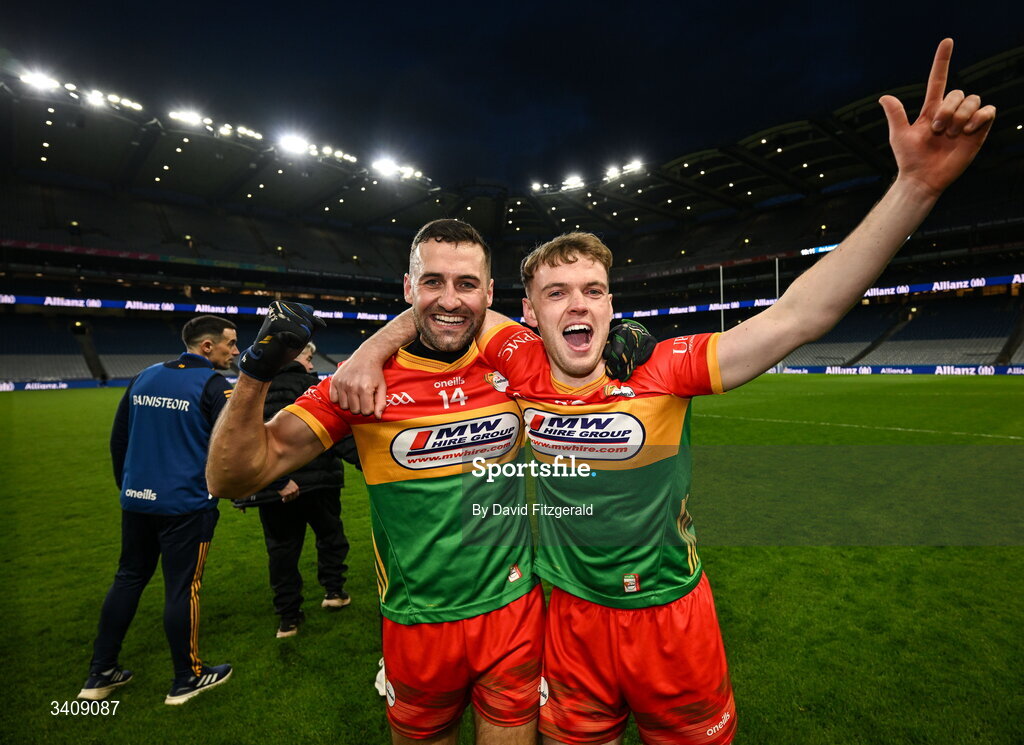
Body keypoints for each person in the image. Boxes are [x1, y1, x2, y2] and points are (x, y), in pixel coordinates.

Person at [329, 40, 995, 745]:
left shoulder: (666, 366)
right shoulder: (517, 358)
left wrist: (915, 188)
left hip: (673, 619)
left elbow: (802, 315)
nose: (575, 304)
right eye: (555, 293)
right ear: (528, 310)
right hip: (570, 623)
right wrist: (373, 346)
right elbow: (442, 300)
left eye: (592, 290)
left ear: (613, 305)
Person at [206, 222, 544, 745]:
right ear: (408, 288)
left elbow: (578, 348)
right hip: (415, 622)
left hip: (514, 610)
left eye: (466, 284)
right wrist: (254, 373)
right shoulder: (360, 385)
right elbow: (232, 476)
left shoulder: (515, 362)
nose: (450, 299)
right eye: (431, 282)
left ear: (490, 292)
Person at [78, 315, 239, 706]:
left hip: (137, 500)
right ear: (206, 347)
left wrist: (129, 487)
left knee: (128, 577)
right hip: (184, 505)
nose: (235, 351)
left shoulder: (145, 376)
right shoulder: (215, 386)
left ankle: (100, 672)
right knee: (183, 588)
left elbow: (120, 439)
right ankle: (187, 677)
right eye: (230, 343)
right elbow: (232, 447)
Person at [231, 342, 356, 638]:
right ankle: (334, 591)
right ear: (295, 357)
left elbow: (240, 443)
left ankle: (288, 617)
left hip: (273, 488)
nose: (311, 365)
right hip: (319, 483)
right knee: (330, 538)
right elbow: (337, 436)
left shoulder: (252, 394)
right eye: (308, 358)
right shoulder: (313, 388)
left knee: (281, 550)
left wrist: (267, 484)